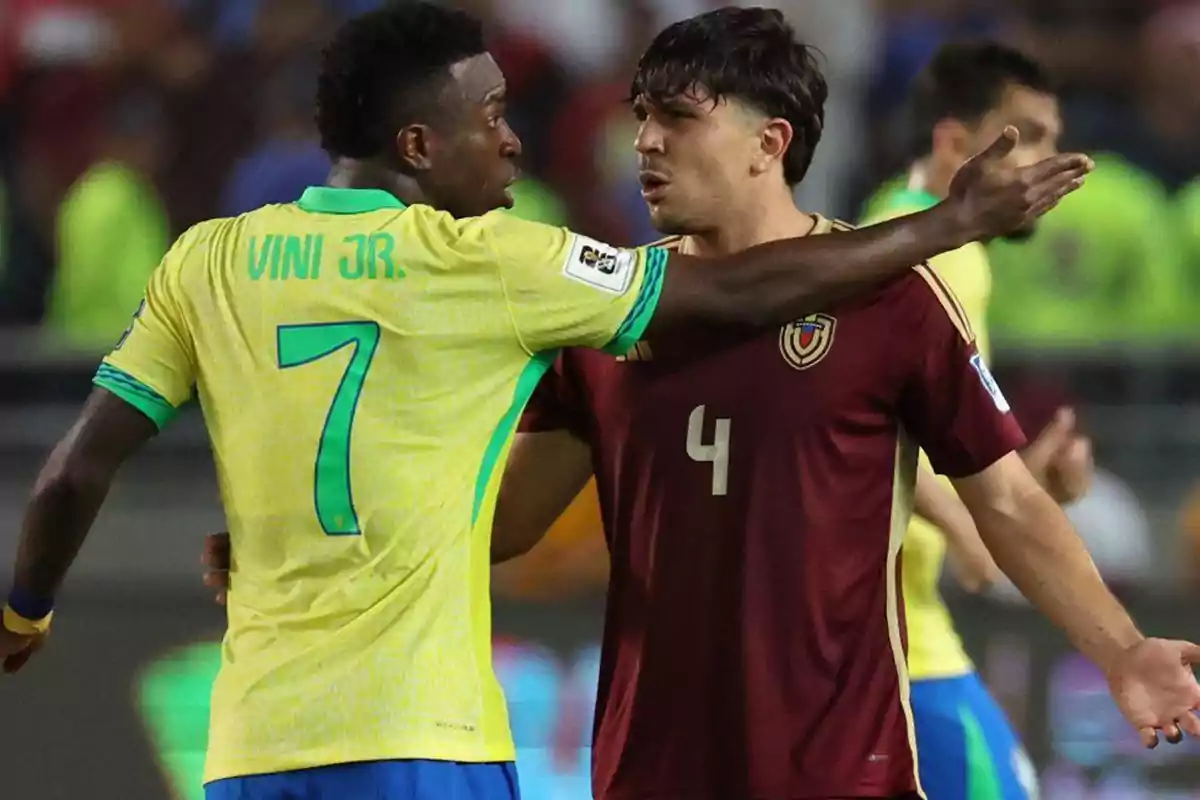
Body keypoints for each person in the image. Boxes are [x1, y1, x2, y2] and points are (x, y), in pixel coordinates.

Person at [1, 2, 1083, 799]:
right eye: (492, 118)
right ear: (421, 147)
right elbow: (733, 288)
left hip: (247, 746)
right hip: (426, 738)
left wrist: (25, 609)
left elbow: (75, 468)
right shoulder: (482, 261)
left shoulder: (210, 258)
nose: (514, 141)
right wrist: (946, 226)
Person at [858, 41, 1089, 799]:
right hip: (889, 639)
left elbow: (933, 439)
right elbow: (863, 414)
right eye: (1033, 138)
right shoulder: (928, 252)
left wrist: (1028, 489)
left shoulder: (905, 229)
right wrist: (970, 528)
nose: (1052, 162)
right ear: (958, 142)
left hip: (903, 621)